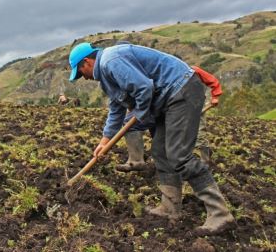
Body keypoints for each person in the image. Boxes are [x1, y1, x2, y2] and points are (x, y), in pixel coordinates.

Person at [68, 42, 234, 235]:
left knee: (179, 155)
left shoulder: (111, 62)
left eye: (81, 73)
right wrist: (104, 141)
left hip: (181, 90)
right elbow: (116, 108)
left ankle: (220, 213)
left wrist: (139, 113)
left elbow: (143, 88)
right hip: (167, 99)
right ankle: (170, 207)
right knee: (160, 151)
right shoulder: (107, 73)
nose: (84, 78)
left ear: (87, 62)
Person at [116, 65, 222, 172]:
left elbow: (212, 80)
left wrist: (215, 96)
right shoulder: (159, 75)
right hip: (170, 105)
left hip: (193, 103)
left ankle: (204, 160)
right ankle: (163, 159)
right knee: (160, 128)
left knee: (198, 131)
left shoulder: (192, 70)